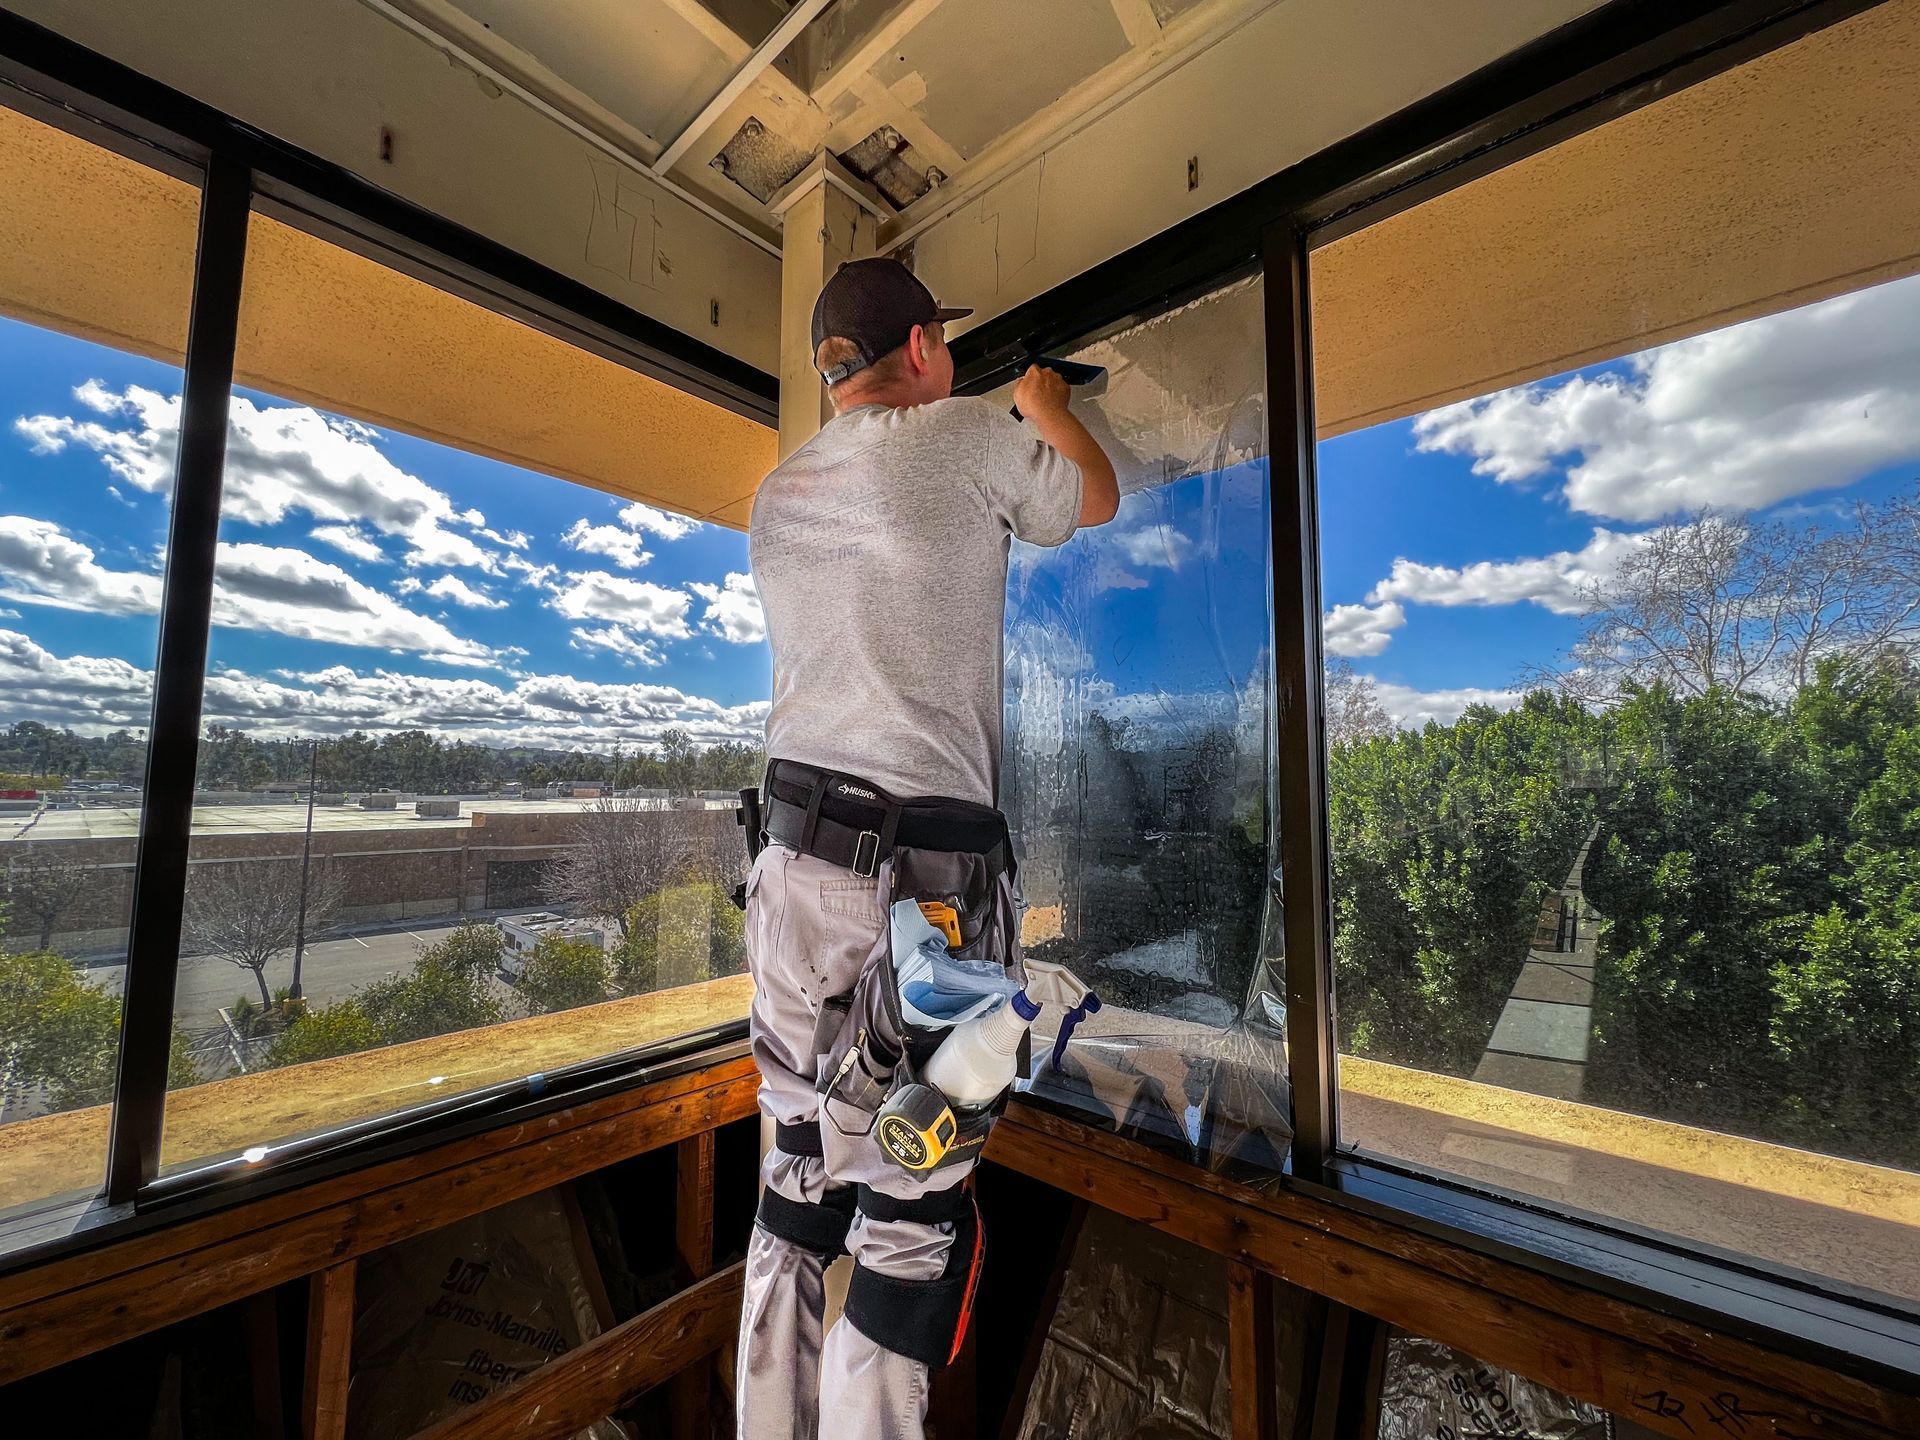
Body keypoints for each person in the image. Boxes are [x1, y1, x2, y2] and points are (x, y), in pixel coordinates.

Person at [734, 256, 1119, 1440]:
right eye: (942, 345)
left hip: (787, 874)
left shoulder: (776, 496)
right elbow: (1089, 500)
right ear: (919, 352)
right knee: (908, 1210)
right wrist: (1047, 412)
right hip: (919, 891)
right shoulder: (959, 436)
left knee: (797, 1178)